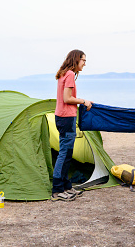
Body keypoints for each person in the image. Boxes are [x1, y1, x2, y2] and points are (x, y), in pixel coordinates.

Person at [52, 49, 93, 201]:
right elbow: (67, 98)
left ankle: (66, 186)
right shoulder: (69, 74)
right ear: (76, 60)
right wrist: (84, 101)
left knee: (67, 154)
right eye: (83, 60)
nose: (84, 64)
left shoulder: (64, 73)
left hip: (62, 117)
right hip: (66, 118)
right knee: (64, 154)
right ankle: (57, 190)